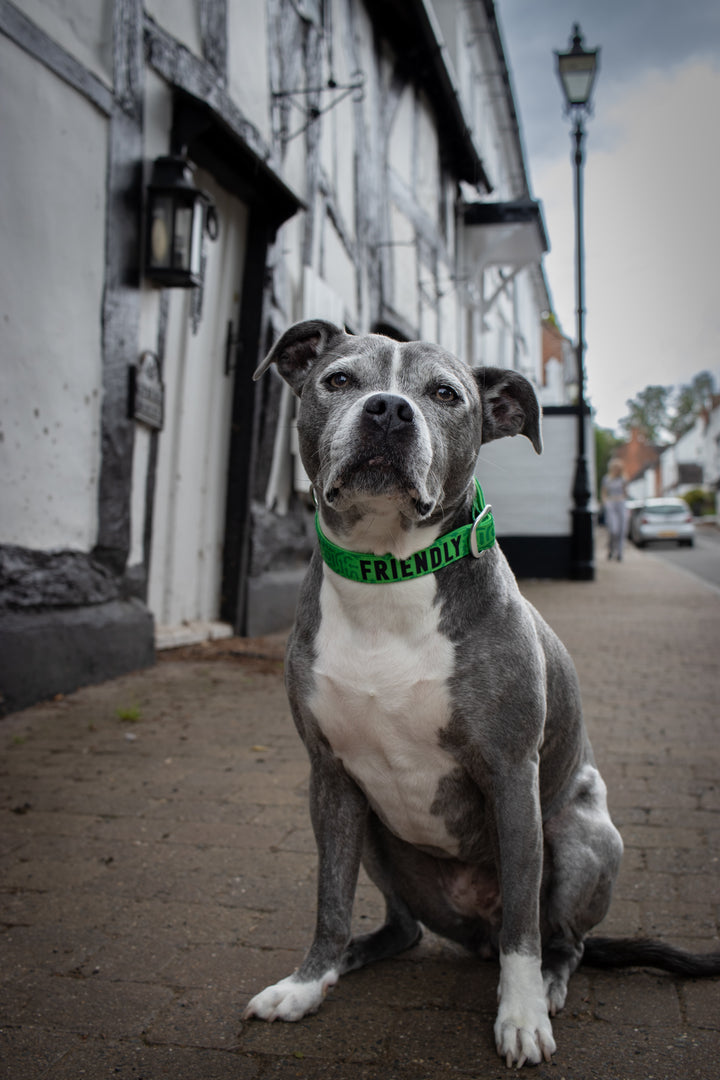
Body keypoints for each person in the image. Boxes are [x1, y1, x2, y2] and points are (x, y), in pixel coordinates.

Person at [601, 459, 628, 561]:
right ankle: (611, 549)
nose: (617, 470)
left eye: (618, 468)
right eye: (615, 468)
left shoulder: (623, 479)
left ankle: (620, 553)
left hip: (620, 503)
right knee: (613, 530)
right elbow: (604, 492)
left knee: (622, 530)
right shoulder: (607, 479)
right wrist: (605, 503)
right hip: (611, 504)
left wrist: (622, 499)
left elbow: (625, 493)